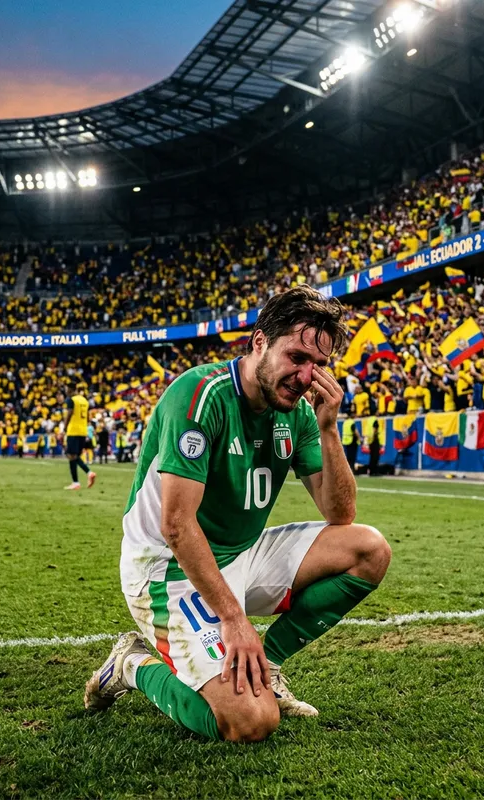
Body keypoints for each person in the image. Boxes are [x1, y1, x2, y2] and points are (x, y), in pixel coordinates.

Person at [84, 285, 391, 743]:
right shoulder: (200, 395)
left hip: (243, 554)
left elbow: (340, 513)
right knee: (251, 721)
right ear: (260, 342)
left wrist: (329, 428)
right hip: (169, 569)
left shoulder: (300, 414)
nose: (306, 376)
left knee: (369, 549)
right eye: (297, 357)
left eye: (318, 366)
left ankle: (267, 665)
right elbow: (176, 525)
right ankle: (131, 664)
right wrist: (234, 619)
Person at [62, 383, 97, 490]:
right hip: (82, 430)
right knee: (74, 456)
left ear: (71, 389)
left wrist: (65, 426)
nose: (66, 391)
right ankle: (76, 482)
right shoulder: (84, 400)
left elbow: (70, 413)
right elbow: (87, 417)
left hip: (73, 430)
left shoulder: (71, 400)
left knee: (70, 454)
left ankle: (88, 473)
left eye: (67, 389)